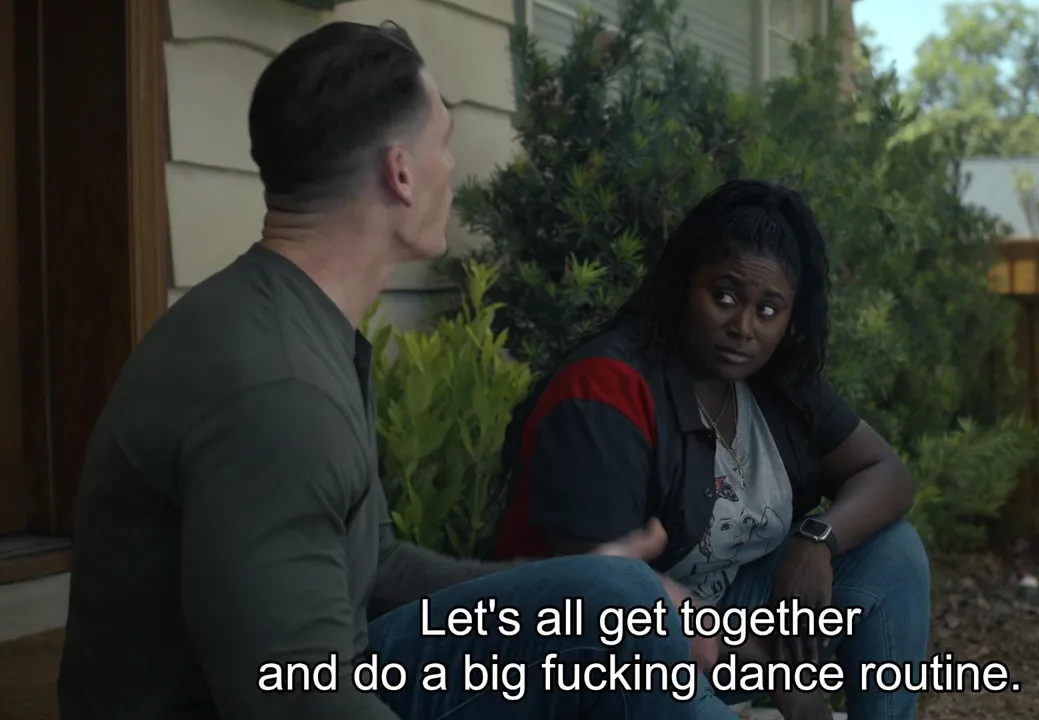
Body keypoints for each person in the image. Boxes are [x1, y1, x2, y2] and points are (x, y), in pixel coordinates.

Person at [56, 20, 708, 720]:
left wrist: (563, 584)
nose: (450, 168)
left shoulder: (295, 326)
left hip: (339, 667)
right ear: (400, 173)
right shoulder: (280, 391)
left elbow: (376, 565)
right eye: (444, 143)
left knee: (612, 601)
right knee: (616, 610)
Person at [491, 179, 933, 720]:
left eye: (768, 310)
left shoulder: (775, 380)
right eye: (724, 297)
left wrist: (816, 540)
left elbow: (886, 473)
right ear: (685, 283)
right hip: (594, 658)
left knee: (892, 552)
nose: (743, 327)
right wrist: (776, 672)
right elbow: (605, 595)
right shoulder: (607, 388)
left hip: (720, 628)